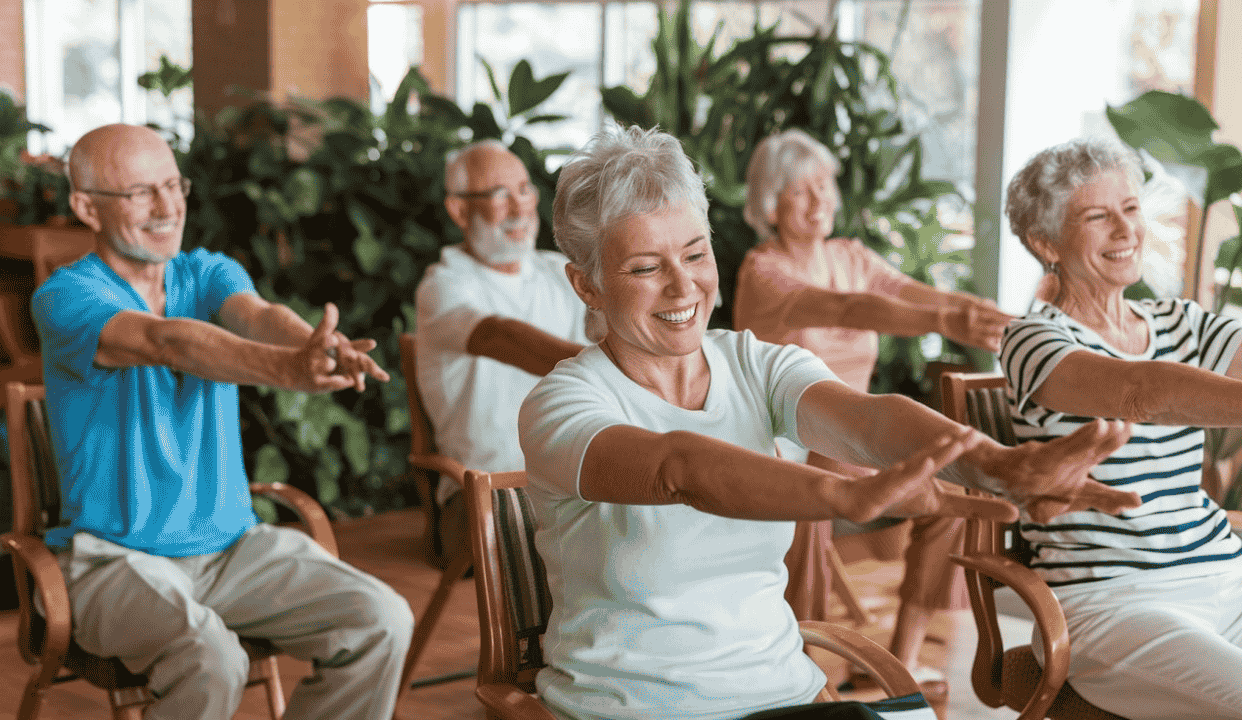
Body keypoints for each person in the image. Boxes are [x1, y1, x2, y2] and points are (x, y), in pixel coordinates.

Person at [517, 124, 1140, 720]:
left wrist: (1001, 464)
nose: (684, 288)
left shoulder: (756, 364)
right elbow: (680, 468)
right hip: (633, 708)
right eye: (645, 268)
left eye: (695, 254)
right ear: (588, 285)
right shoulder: (563, 404)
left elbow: (869, 422)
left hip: (787, 697)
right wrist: (845, 493)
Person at [30, 123, 414, 720]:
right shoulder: (66, 297)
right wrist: (292, 369)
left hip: (234, 551)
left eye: (172, 184)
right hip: (113, 563)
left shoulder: (206, 273)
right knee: (212, 656)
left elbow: (257, 315)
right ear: (86, 207)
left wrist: (317, 347)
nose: (167, 207)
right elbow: (167, 341)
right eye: (140, 193)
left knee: (381, 620)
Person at [1000, 137, 1242, 720]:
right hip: (1115, 603)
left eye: (1130, 209)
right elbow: (1141, 392)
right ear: (1045, 242)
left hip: (1233, 580)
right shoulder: (1030, 340)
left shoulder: (1180, 321)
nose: (1125, 230)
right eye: (1097, 217)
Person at [733, 128, 1013, 675]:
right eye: (800, 191)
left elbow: (907, 293)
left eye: (824, 187)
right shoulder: (761, 273)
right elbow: (844, 309)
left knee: (952, 494)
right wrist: (943, 320)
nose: (819, 201)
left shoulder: (850, 255)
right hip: (781, 447)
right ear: (770, 203)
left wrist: (975, 312)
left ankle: (901, 661)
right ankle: (801, 668)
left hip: (851, 439)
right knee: (813, 494)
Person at [414, 139, 591, 567]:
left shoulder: (558, 272)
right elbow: (501, 337)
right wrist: (608, 367)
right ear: (458, 210)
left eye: (525, 190)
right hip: (483, 496)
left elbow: (614, 332)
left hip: (571, 482)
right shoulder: (444, 285)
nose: (519, 207)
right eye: (499, 195)